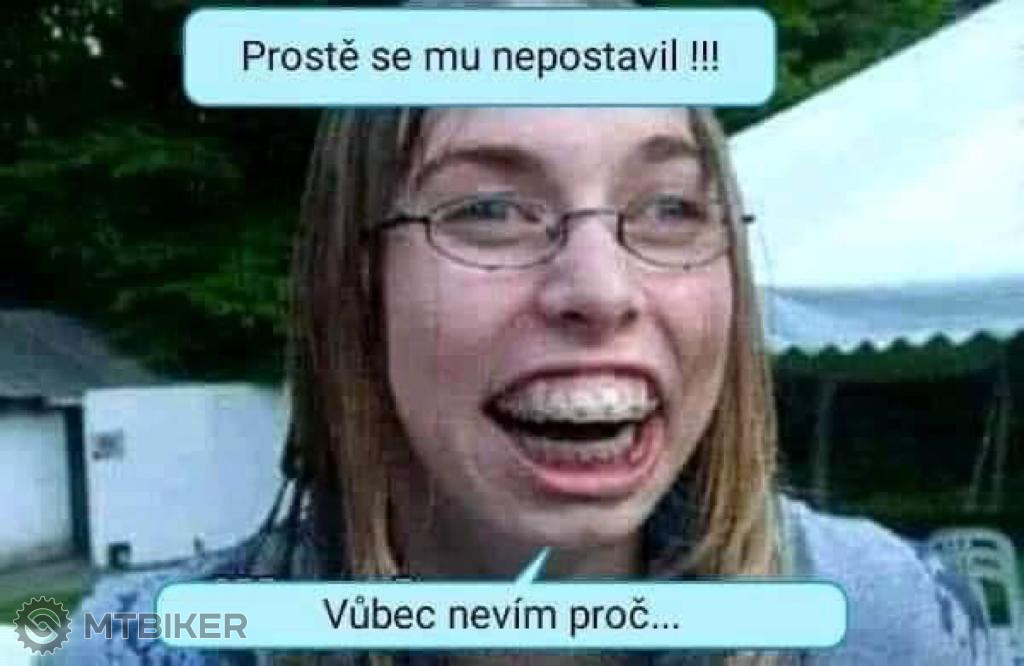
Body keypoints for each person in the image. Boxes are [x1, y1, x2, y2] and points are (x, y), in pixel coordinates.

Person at [43, 105, 994, 666]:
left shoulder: (891, 623)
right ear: (354, 288)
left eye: (670, 207)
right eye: (491, 209)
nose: (602, 291)